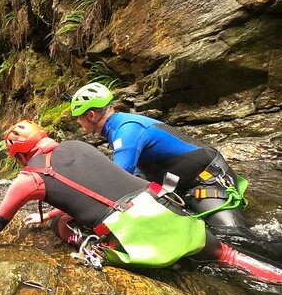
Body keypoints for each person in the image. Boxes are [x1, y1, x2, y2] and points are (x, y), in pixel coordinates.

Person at [0, 120, 282, 284]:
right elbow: (97, 186)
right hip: (166, 208)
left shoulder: (26, 180)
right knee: (227, 254)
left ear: (19, 155)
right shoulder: (78, 144)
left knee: (61, 225)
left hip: (137, 237)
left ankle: (91, 246)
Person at [69, 82, 280, 259]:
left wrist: (65, 208)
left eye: (78, 117)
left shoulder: (127, 131)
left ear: (91, 115)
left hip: (209, 179)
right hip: (181, 183)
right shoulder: (119, 128)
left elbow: (114, 180)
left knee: (236, 239)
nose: (79, 123)